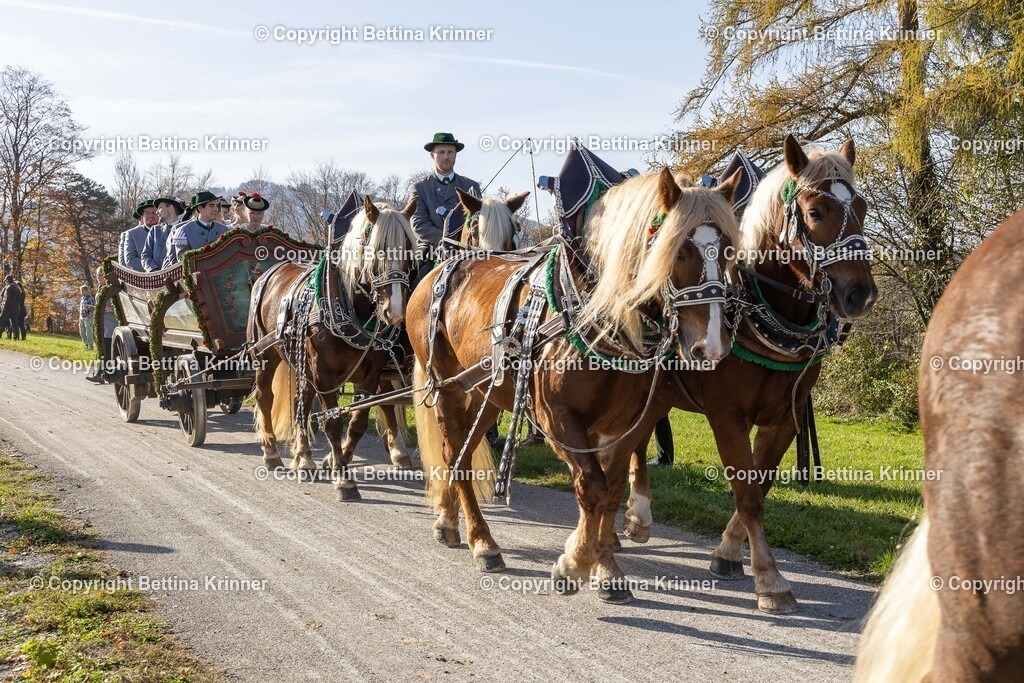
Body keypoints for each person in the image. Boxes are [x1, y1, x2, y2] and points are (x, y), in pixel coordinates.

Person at [409, 132, 482, 261]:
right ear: (432, 155)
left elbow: (479, 221)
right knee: (416, 266)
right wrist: (447, 241)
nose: (446, 157)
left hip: (467, 249)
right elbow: (419, 224)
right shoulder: (420, 188)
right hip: (431, 249)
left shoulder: (471, 186)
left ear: (456, 154)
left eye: (450, 152)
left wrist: (462, 243)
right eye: (441, 152)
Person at [162, 191, 230, 268]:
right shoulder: (183, 231)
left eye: (217, 206)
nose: (216, 209)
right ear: (200, 208)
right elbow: (181, 262)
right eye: (211, 206)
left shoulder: (225, 230)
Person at [142, 196, 184, 272]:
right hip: (157, 277)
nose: (157, 212)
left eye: (160, 208)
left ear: (170, 208)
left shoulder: (184, 229)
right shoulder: (155, 230)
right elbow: (145, 256)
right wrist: (154, 270)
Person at [119, 200, 158, 271]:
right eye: (147, 213)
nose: (151, 216)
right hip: (142, 275)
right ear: (142, 215)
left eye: (154, 212)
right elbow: (130, 259)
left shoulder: (166, 231)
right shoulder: (132, 234)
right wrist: (153, 269)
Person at [79, 284, 95, 350]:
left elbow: (94, 308)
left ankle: (90, 346)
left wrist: (88, 310)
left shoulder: (90, 298)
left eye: (82, 291)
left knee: (88, 332)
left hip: (88, 317)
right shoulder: (82, 298)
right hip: (81, 317)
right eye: (81, 291)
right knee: (82, 332)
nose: (81, 292)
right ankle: (86, 344)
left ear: (86, 291)